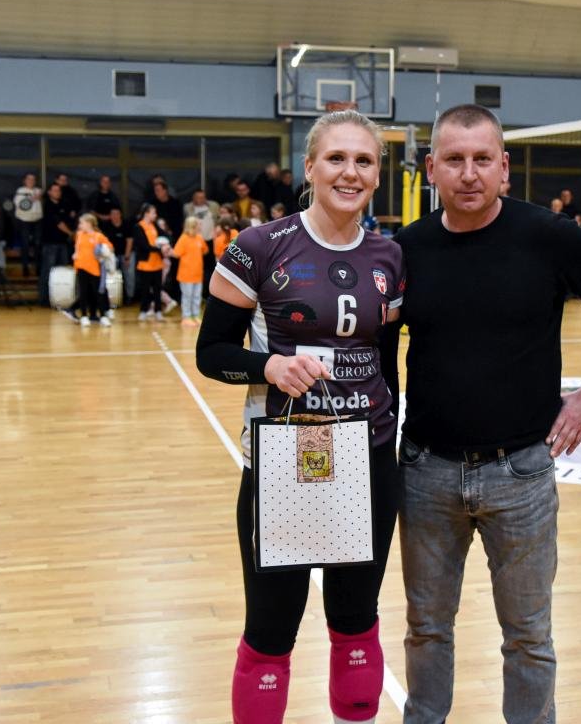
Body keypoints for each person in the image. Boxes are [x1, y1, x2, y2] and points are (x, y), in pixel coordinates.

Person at [392, 104, 581, 723]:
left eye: (483, 159)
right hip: (427, 472)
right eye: (455, 160)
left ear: (504, 168)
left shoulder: (547, 235)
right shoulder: (407, 249)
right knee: (426, 627)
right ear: (431, 169)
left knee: (529, 635)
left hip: (521, 474)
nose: (469, 173)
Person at [195, 108, 404, 724]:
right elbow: (212, 353)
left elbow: (387, 361)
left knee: (357, 619)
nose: (350, 172)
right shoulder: (259, 247)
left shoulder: (390, 255)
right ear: (309, 167)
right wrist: (268, 366)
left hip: (367, 457)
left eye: (364, 161)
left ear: (377, 175)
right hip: (289, 455)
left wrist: (390, 445)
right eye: (336, 158)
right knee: (271, 626)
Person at [132, 204, 175, 320]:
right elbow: (144, 246)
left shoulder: (154, 225)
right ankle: (143, 311)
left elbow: (166, 235)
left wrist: (166, 245)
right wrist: (160, 249)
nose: (155, 215)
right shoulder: (138, 227)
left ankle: (158, 311)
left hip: (157, 263)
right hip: (145, 264)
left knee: (157, 289)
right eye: (153, 213)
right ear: (146, 213)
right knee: (145, 289)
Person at [72, 213, 113, 327]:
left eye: (82, 223)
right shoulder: (79, 235)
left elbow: (110, 247)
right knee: (83, 292)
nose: (80, 225)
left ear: (89, 224)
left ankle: (103, 316)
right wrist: (75, 254)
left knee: (98, 293)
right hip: (81, 267)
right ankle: (84, 316)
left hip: (94, 268)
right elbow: (77, 248)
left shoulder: (98, 236)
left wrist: (104, 252)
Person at [39, 182, 76, 306]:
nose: (57, 193)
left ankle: (61, 299)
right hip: (50, 243)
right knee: (48, 271)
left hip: (62, 243)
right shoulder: (48, 205)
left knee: (63, 272)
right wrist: (71, 233)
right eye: (54, 190)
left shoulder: (63, 205)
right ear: (49, 192)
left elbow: (69, 218)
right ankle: (44, 299)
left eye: (59, 191)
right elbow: (59, 223)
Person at [171, 216, 209, 327]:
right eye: (198, 225)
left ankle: (195, 316)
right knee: (187, 297)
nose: (200, 227)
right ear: (192, 226)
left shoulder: (199, 237)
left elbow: (205, 250)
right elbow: (176, 253)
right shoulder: (183, 238)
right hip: (186, 275)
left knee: (197, 297)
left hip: (198, 274)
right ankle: (186, 317)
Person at [12, 172, 43, 276]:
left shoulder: (38, 190)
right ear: (24, 180)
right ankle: (25, 267)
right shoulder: (20, 191)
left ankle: (38, 266)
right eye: (29, 179)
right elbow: (22, 205)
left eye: (33, 179)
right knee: (25, 244)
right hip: (24, 220)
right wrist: (32, 198)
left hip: (37, 220)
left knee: (38, 244)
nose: (31, 181)